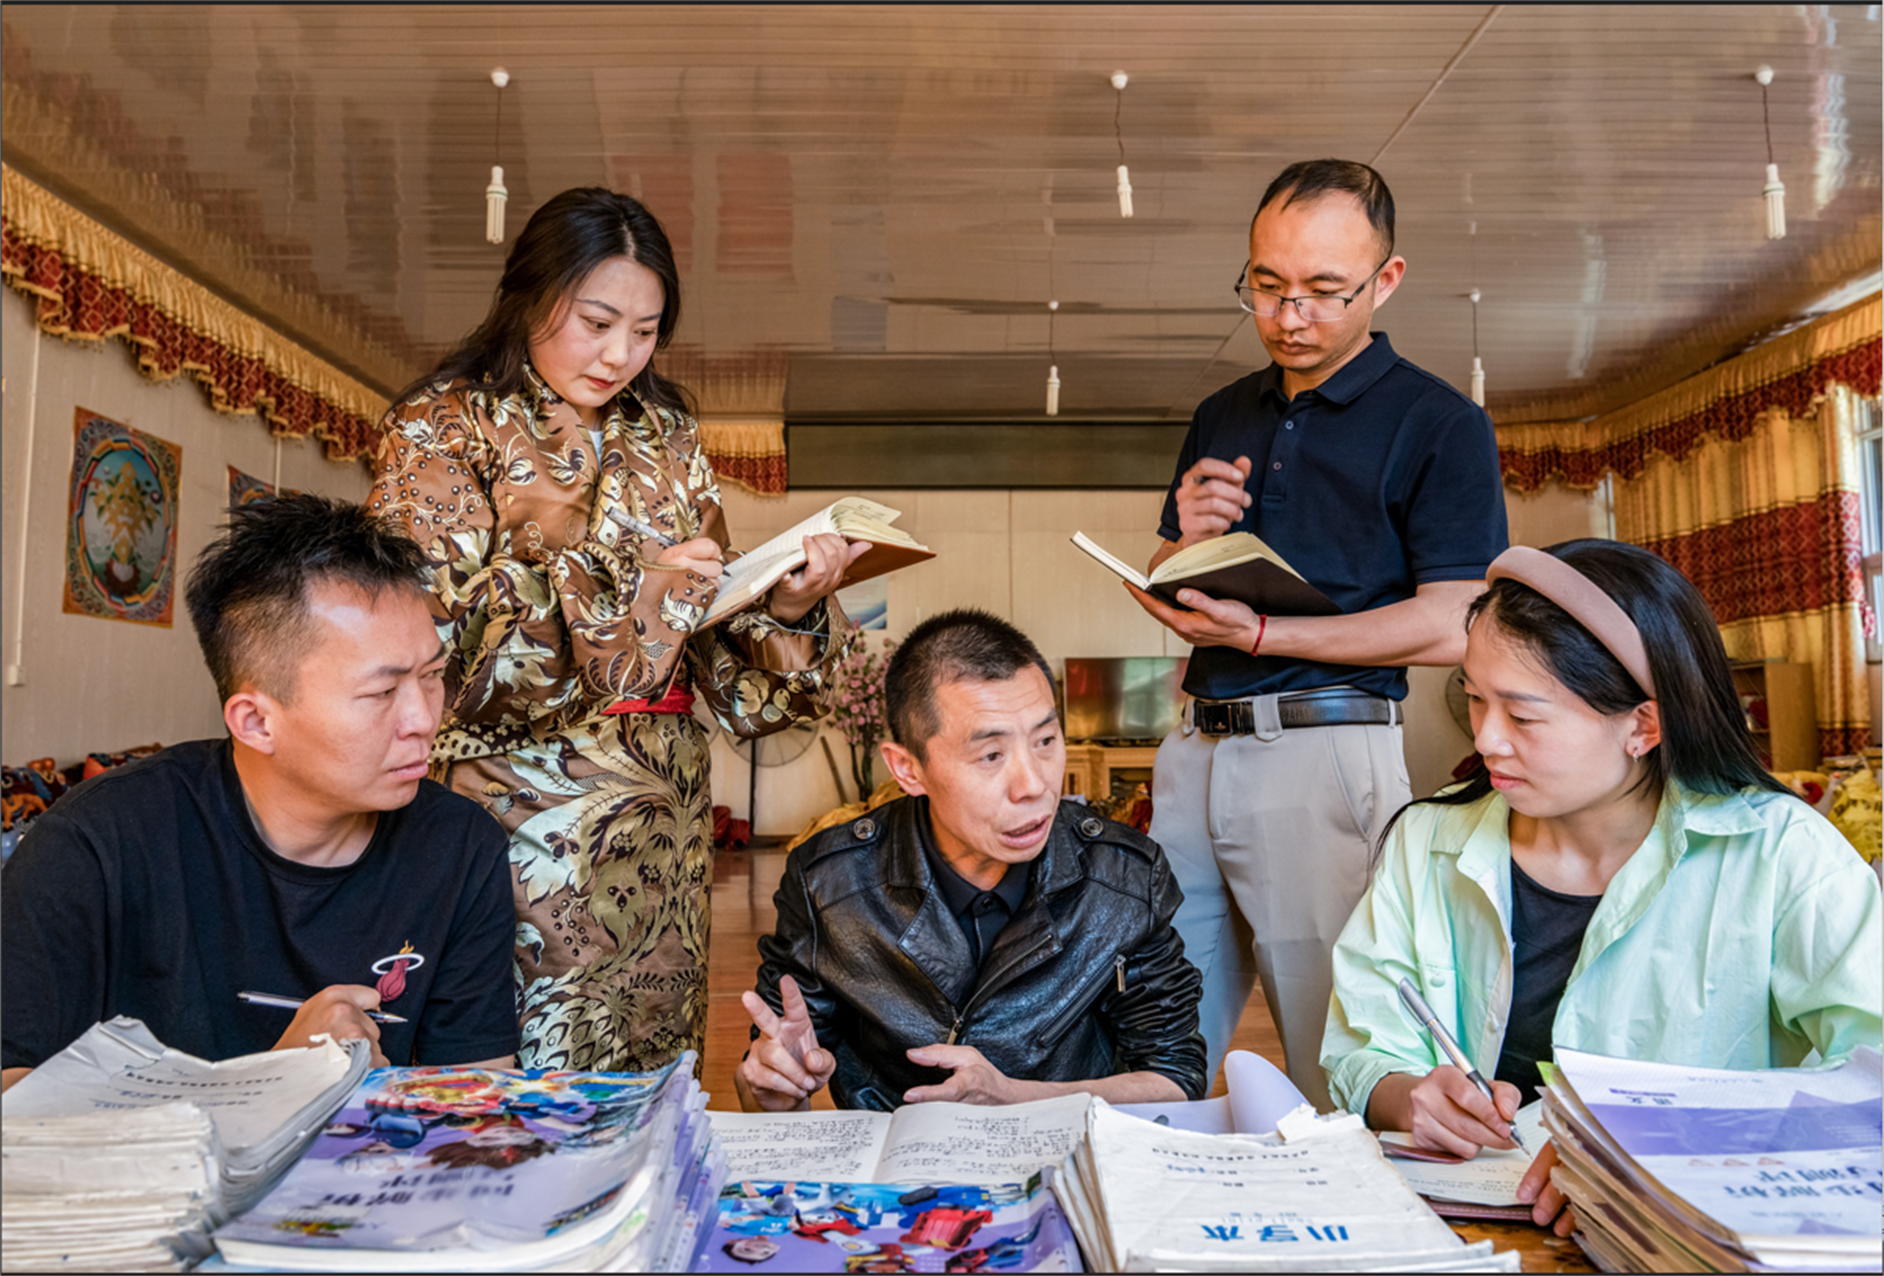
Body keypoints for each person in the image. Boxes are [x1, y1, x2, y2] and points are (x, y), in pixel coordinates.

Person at [370, 188, 858, 1073]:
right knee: (530, 1055)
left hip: (664, 812)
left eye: (645, 331)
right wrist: (645, 592)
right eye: (597, 323)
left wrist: (783, 606)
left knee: (655, 1055)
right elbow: (437, 632)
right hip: (522, 802)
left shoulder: (668, 435)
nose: (620, 355)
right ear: (530, 295)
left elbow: (703, 627)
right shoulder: (444, 424)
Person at [1322, 540, 1883, 1234]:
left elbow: (1870, 1074)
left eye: (1522, 715)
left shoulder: (1781, 854)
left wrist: (1654, 1149)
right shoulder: (1427, 839)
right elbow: (1362, 1046)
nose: (1488, 739)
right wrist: (1406, 1095)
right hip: (1471, 1224)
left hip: (1686, 1234)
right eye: (1474, 698)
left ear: (1643, 725)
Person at [1128, 158, 1508, 1107]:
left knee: (1336, 1042)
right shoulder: (1222, 411)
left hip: (1324, 751)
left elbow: (1456, 621)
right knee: (1151, 1021)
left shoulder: (1440, 423)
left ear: (1386, 279)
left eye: (1322, 291)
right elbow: (1174, 583)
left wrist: (1264, 635)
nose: (1288, 316)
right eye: (1266, 287)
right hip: (1194, 749)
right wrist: (1182, 542)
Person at [0, 496, 519, 1090]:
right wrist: (271, 1083)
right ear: (255, 723)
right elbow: (12, 1098)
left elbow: (477, 1099)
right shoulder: (98, 842)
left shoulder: (459, 845)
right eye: (382, 693)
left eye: (431, 676)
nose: (425, 720)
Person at [736, 609, 1207, 1112]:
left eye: (1046, 741)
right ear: (908, 769)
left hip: (1061, 1149)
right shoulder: (830, 883)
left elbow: (1175, 1076)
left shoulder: (1124, 877)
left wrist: (1014, 1097)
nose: (1035, 785)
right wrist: (770, 1084)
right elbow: (768, 1080)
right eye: (991, 756)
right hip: (898, 1157)